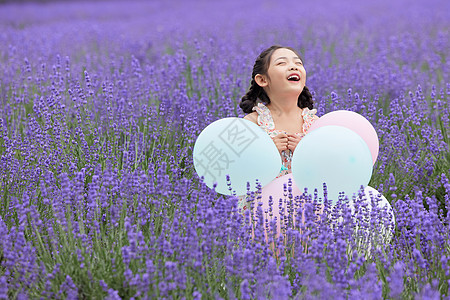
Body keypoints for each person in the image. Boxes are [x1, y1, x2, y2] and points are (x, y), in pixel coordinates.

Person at [237, 45, 319, 213]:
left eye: (298, 63)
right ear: (262, 80)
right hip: (260, 210)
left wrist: (306, 152)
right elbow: (238, 169)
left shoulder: (315, 124)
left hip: (306, 211)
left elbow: (327, 168)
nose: (293, 66)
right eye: (281, 63)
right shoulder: (253, 122)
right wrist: (267, 151)